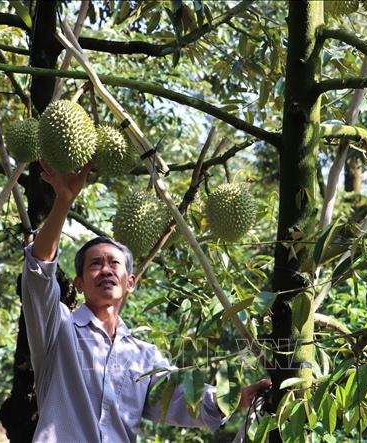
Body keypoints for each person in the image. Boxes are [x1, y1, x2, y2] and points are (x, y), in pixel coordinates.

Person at [22, 161, 271, 442]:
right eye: (95, 264)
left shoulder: (143, 356)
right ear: (79, 283)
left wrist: (235, 398)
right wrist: (63, 202)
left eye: (114, 263)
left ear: (130, 283)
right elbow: (39, 271)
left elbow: (181, 397)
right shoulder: (57, 330)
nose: (105, 270)